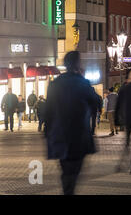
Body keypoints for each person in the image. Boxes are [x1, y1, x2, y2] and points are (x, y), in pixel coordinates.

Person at [45, 51, 102, 195]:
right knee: (74, 172)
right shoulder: (82, 82)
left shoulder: (54, 84)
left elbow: (48, 112)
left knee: (66, 171)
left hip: (60, 136)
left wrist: (48, 133)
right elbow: (96, 101)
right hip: (78, 136)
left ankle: (68, 190)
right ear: (77, 64)